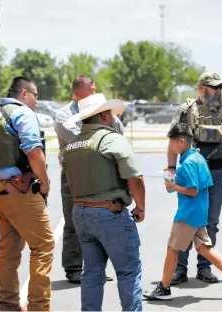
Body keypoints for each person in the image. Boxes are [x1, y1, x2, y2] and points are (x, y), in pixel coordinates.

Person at [144, 124, 222, 301]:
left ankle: (164, 288)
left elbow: (192, 190)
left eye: (172, 143)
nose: (171, 147)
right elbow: (199, 184)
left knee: (172, 249)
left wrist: (173, 186)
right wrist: (174, 182)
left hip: (188, 213)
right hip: (199, 211)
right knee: (204, 248)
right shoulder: (197, 158)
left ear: (182, 141)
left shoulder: (188, 163)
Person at [63, 93, 146, 311]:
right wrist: (141, 208)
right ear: (104, 115)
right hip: (110, 213)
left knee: (91, 272)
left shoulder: (72, 145)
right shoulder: (112, 139)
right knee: (128, 272)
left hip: (81, 213)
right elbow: (135, 178)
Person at [0, 76, 54, 311]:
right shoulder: (22, 113)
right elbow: (33, 151)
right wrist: (44, 182)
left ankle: (9, 305)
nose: (35, 101)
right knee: (43, 246)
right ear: (25, 94)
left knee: (8, 250)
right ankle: (39, 308)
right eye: (35, 96)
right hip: (19, 191)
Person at [167, 71, 222, 285]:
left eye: (220, 87)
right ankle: (179, 269)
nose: (218, 91)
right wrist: (171, 168)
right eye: (214, 87)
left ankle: (204, 267)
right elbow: (173, 140)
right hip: (191, 174)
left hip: (218, 173)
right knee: (186, 219)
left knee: (211, 221)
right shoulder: (185, 110)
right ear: (201, 88)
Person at [54, 75, 123, 283]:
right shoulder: (63, 116)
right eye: (90, 90)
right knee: (74, 221)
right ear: (77, 94)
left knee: (100, 220)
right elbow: (82, 141)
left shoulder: (102, 111)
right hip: (74, 175)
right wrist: (104, 134)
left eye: (95, 89)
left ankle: (97, 268)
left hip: (101, 174)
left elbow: (118, 132)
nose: (95, 93)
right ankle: (74, 268)